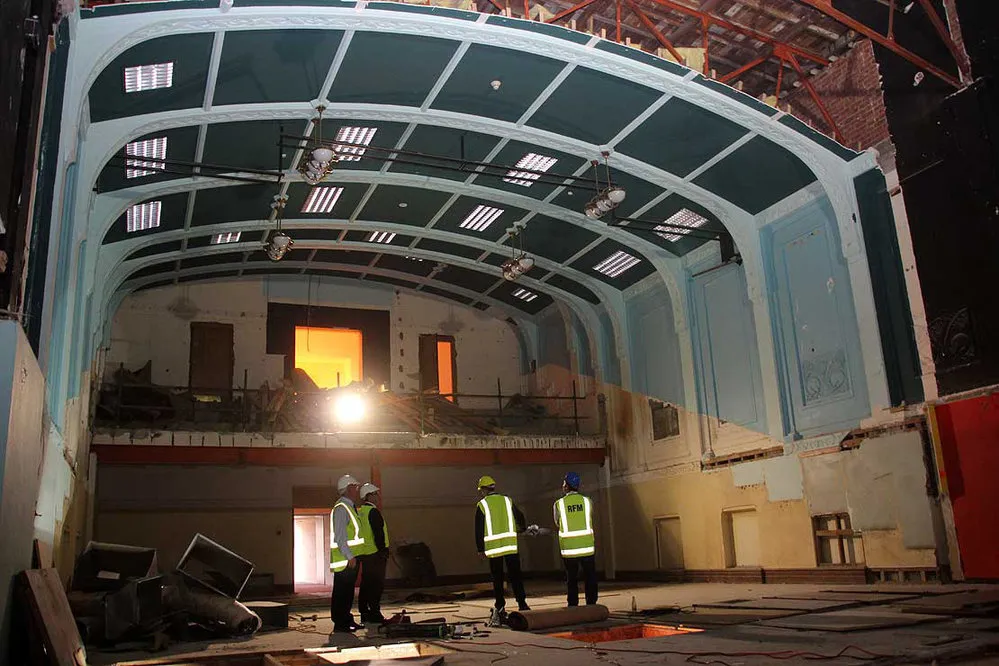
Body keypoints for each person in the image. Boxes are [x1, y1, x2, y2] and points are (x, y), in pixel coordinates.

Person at [474, 475, 530, 625]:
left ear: (484, 490)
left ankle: (500, 607)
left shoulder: (482, 505)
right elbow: (520, 516)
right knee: (516, 576)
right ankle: (522, 603)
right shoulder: (507, 500)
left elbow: (478, 529)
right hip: (510, 546)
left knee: (497, 579)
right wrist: (522, 528)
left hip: (494, 549)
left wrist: (480, 549)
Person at [553, 471, 598, 606]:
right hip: (587, 547)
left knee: (571, 578)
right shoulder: (587, 501)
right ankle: (591, 603)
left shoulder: (559, 504)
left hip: (569, 549)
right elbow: (589, 517)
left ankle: (573, 604)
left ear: (567, 486)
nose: (563, 485)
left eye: (564, 483)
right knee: (590, 576)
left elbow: (557, 522)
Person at [330, 474, 365, 634]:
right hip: (345, 559)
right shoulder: (341, 508)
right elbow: (340, 536)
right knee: (342, 593)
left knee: (347, 592)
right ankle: (340, 623)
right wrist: (349, 556)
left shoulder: (348, 507)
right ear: (348, 489)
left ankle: (346, 620)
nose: (357, 490)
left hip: (350, 558)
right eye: (355, 487)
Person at [356, 482, 390, 625]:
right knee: (376, 585)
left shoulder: (360, 512)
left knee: (366, 584)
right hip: (376, 554)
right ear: (369, 496)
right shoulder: (373, 512)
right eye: (376, 494)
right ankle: (375, 613)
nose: (378, 496)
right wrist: (383, 551)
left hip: (365, 554)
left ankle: (364, 613)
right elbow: (378, 534)